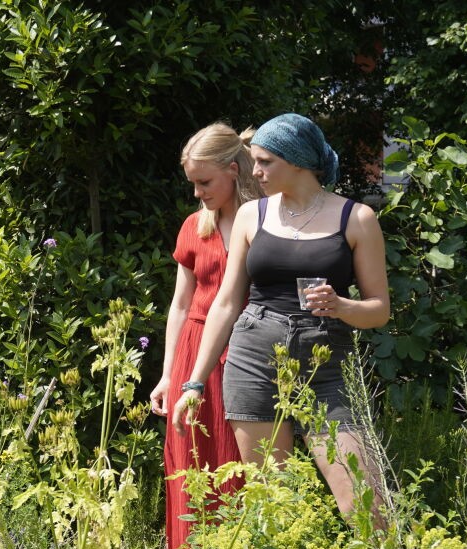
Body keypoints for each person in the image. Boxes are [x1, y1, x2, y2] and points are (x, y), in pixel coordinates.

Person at [170, 113, 390, 522]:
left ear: (299, 161)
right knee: (277, 505)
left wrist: (342, 306)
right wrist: (195, 382)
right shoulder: (254, 216)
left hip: (326, 368)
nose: (255, 171)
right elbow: (226, 303)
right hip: (253, 360)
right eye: (254, 160)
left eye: (265, 161)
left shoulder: (357, 218)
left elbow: (379, 309)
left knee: (365, 503)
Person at [149, 122, 263, 548]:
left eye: (204, 182)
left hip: (248, 352)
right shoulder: (195, 227)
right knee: (190, 463)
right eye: (193, 183)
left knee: (240, 464)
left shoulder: (267, 223)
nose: (197, 192)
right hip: (194, 354)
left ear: (234, 170)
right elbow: (180, 305)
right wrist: (165, 376)